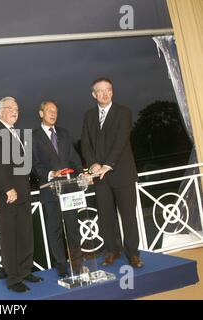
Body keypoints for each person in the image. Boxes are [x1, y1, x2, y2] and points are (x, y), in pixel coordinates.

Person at [81, 77, 143, 268]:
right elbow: (85, 143)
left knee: (128, 217)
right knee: (106, 217)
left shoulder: (124, 112)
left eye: (108, 89)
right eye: (100, 91)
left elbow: (121, 141)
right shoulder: (89, 116)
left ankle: (133, 254)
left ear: (112, 92)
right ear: (94, 95)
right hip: (100, 178)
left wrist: (107, 164)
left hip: (122, 173)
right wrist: (92, 165)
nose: (105, 93)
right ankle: (112, 251)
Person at [0, 96, 42, 293]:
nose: (15, 111)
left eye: (17, 108)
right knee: (10, 238)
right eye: (10, 108)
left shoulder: (14, 132)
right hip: (7, 195)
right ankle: (13, 278)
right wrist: (7, 188)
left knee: (25, 234)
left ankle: (25, 271)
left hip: (23, 193)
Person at [32, 100, 84, 278]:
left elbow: (74, 158)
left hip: (70, 188)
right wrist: (51, 173)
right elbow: (34, 165)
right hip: (49, 189)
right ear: (41, 113)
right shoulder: (33, 137)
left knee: (72, 226)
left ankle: (77, 263)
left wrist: (82, 174)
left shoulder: (64, 133)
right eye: (49, 111)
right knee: (54, 228)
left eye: (55, 111)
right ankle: (61, 264)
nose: (53, 114)